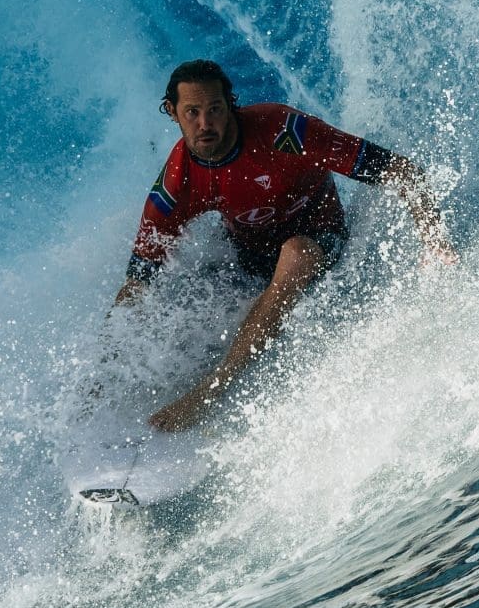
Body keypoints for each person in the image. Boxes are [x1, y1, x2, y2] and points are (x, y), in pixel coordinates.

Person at [114, 59, 456, 431]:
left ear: (232, 104)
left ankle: (210, 394)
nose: (205, 124)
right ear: (172, 112)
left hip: (318, 238)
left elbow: (401, 171)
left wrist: (435, 243)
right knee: (184, 307)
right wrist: (103, 368)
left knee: (295, 254)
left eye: (214, 109)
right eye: (192, 113)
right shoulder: (178, 183)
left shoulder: (284, 132)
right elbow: (136, 283)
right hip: (247, 260)